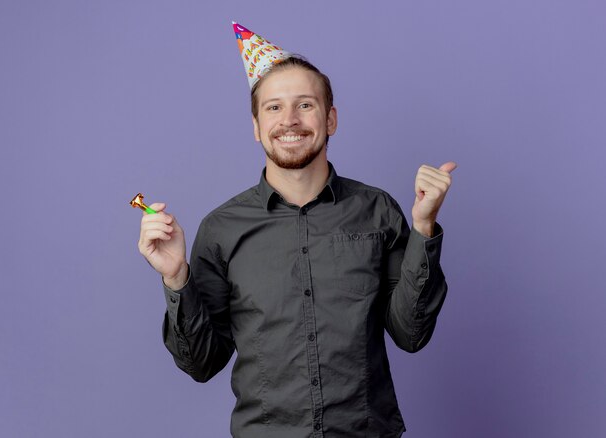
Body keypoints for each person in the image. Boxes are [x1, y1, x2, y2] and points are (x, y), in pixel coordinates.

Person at [137, 23, 456, 438]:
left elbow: (411, 335)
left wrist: (423, 226)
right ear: (255, 126)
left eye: (305, 105)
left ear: (331, 119)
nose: (289, 120)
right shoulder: (221, 229)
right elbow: (200, 364)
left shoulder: (378, 211)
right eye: (273, 108)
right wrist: (176, 276)